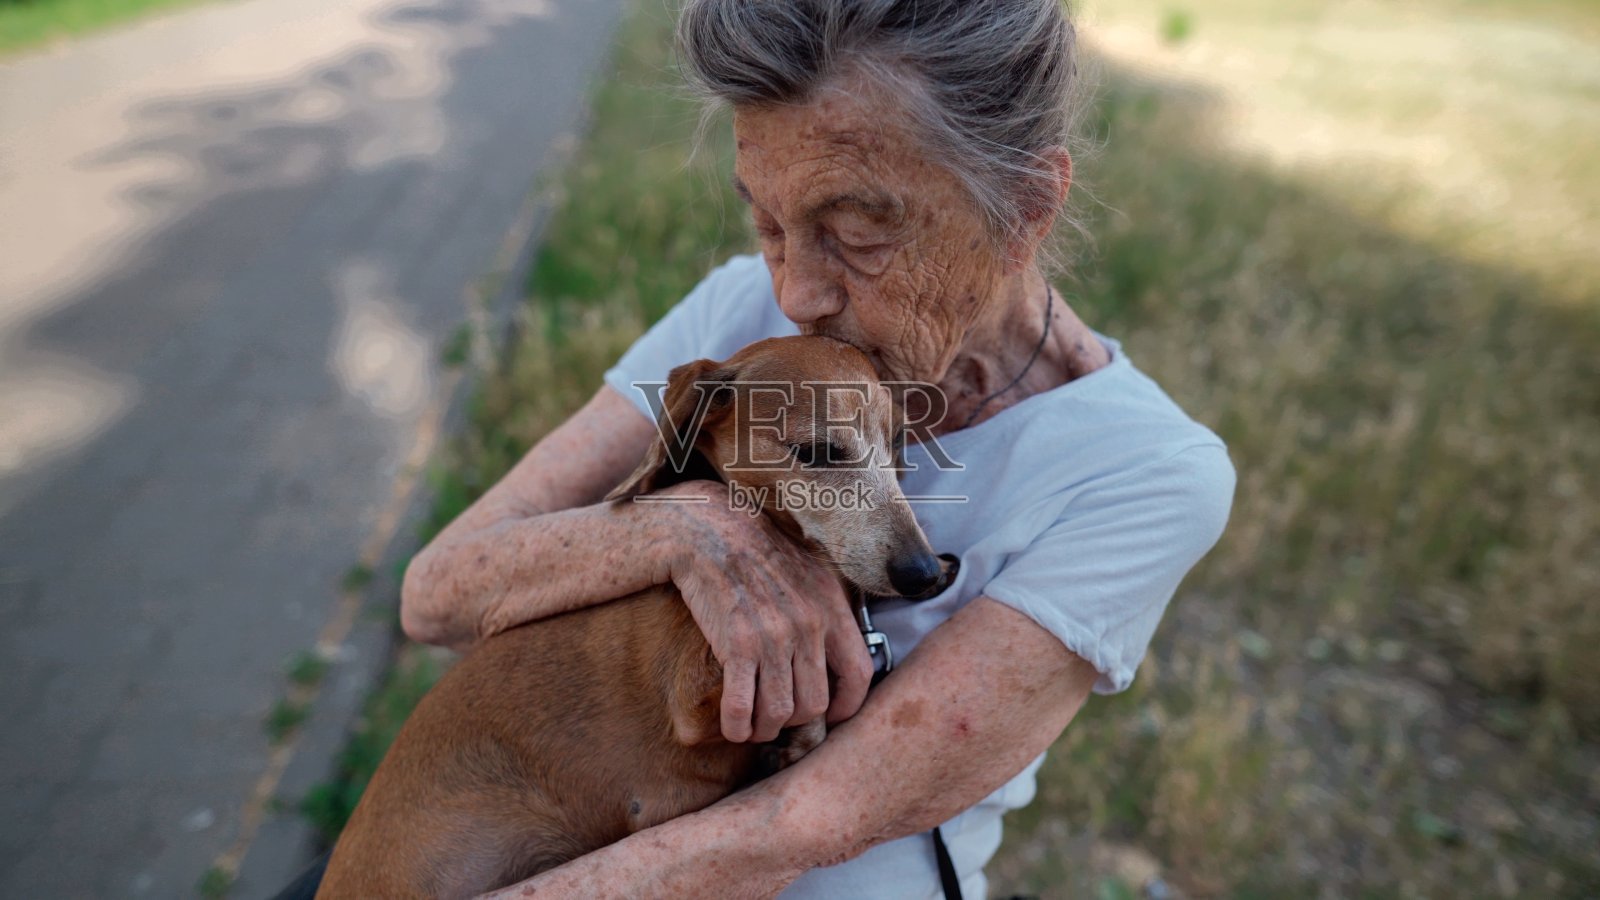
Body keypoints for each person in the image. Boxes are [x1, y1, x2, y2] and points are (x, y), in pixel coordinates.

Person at [401, 1, 1235, 896]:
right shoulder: (739, 318)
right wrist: (691, 527)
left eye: (856, 236)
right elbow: (438, 595)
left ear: (1025, 208)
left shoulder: (1145, 473)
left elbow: (809, 823)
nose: (796, 293)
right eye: (767, 226)